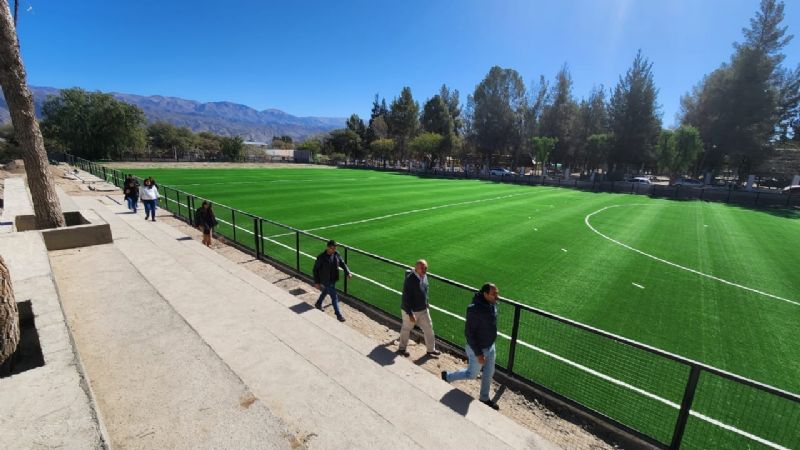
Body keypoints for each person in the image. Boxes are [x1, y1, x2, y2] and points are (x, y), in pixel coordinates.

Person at [442, 283, 500, 410]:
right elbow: (469, 334)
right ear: (485, 294)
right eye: (494, 294)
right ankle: (447, 376)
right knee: (472, 375)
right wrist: (479, 354)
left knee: (489, 373)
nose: (497, 297)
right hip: (478, 349)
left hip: (490, 347)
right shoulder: (474, 309)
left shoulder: (492, 304)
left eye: (497, 293)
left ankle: (484, 398)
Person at [397, 259, 441, 357]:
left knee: (429, 328)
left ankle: (430, 350)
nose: (425, 270)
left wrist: (427, 302)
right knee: (406, 329)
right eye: (423, 268)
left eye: (426, 268)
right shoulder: (410, 279)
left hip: (423, 309)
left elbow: (426, 289)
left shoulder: (424, 276)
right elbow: (405, 298)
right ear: (416, 268)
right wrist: (410, 313)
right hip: (411, 311)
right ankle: (402, 348)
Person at [313, 240, 352, 322]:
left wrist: (347, 272)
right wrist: (317, 282)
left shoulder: (336, 254)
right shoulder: (321, 257)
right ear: (328, 247)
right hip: (325, 280)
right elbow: (315, 270)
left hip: (333, 279)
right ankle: (338, 315)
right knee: (334, 297)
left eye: (335, 248)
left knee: (326, 291)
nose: (334, 250)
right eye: (332, 248)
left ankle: (318, 303)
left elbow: (342, 263)